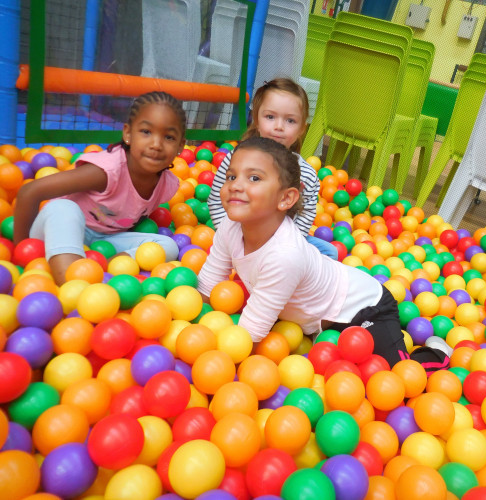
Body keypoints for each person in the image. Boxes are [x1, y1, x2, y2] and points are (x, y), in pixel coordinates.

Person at [197, 137, 450, 374]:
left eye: (253, 178)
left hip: (364, 309)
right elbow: (208, 286)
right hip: (316, 321)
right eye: (231, 176)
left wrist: (217, 365)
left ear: (286, 198)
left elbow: (249, 334)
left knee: (395, 374)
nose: (235, 186)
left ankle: (437, 352)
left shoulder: (285, 255)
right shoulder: (229, 228)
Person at [14, 91, 186, 285]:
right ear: (128, 134)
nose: (156, 145)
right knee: (63, 209)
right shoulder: (106, 171)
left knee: (168, 245)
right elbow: (29, 191)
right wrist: (21, 253)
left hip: (104, 242)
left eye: (169, 137)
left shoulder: (168, 185)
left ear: (181, 146)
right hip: (60, 231)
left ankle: (101, 271)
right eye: (146, 132)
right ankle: (74, 285)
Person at [207, 78, 338, 259]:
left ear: (301, 129)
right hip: (239, 236)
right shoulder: (237, 159)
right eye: (270, 117)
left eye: (290, 121)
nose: (279, 127)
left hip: (282, 243)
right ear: (257, 120)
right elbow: (216, 199)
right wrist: (227, 234)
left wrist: (289, 247)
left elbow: (306, 213)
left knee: (329, 251)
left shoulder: (306, 174)